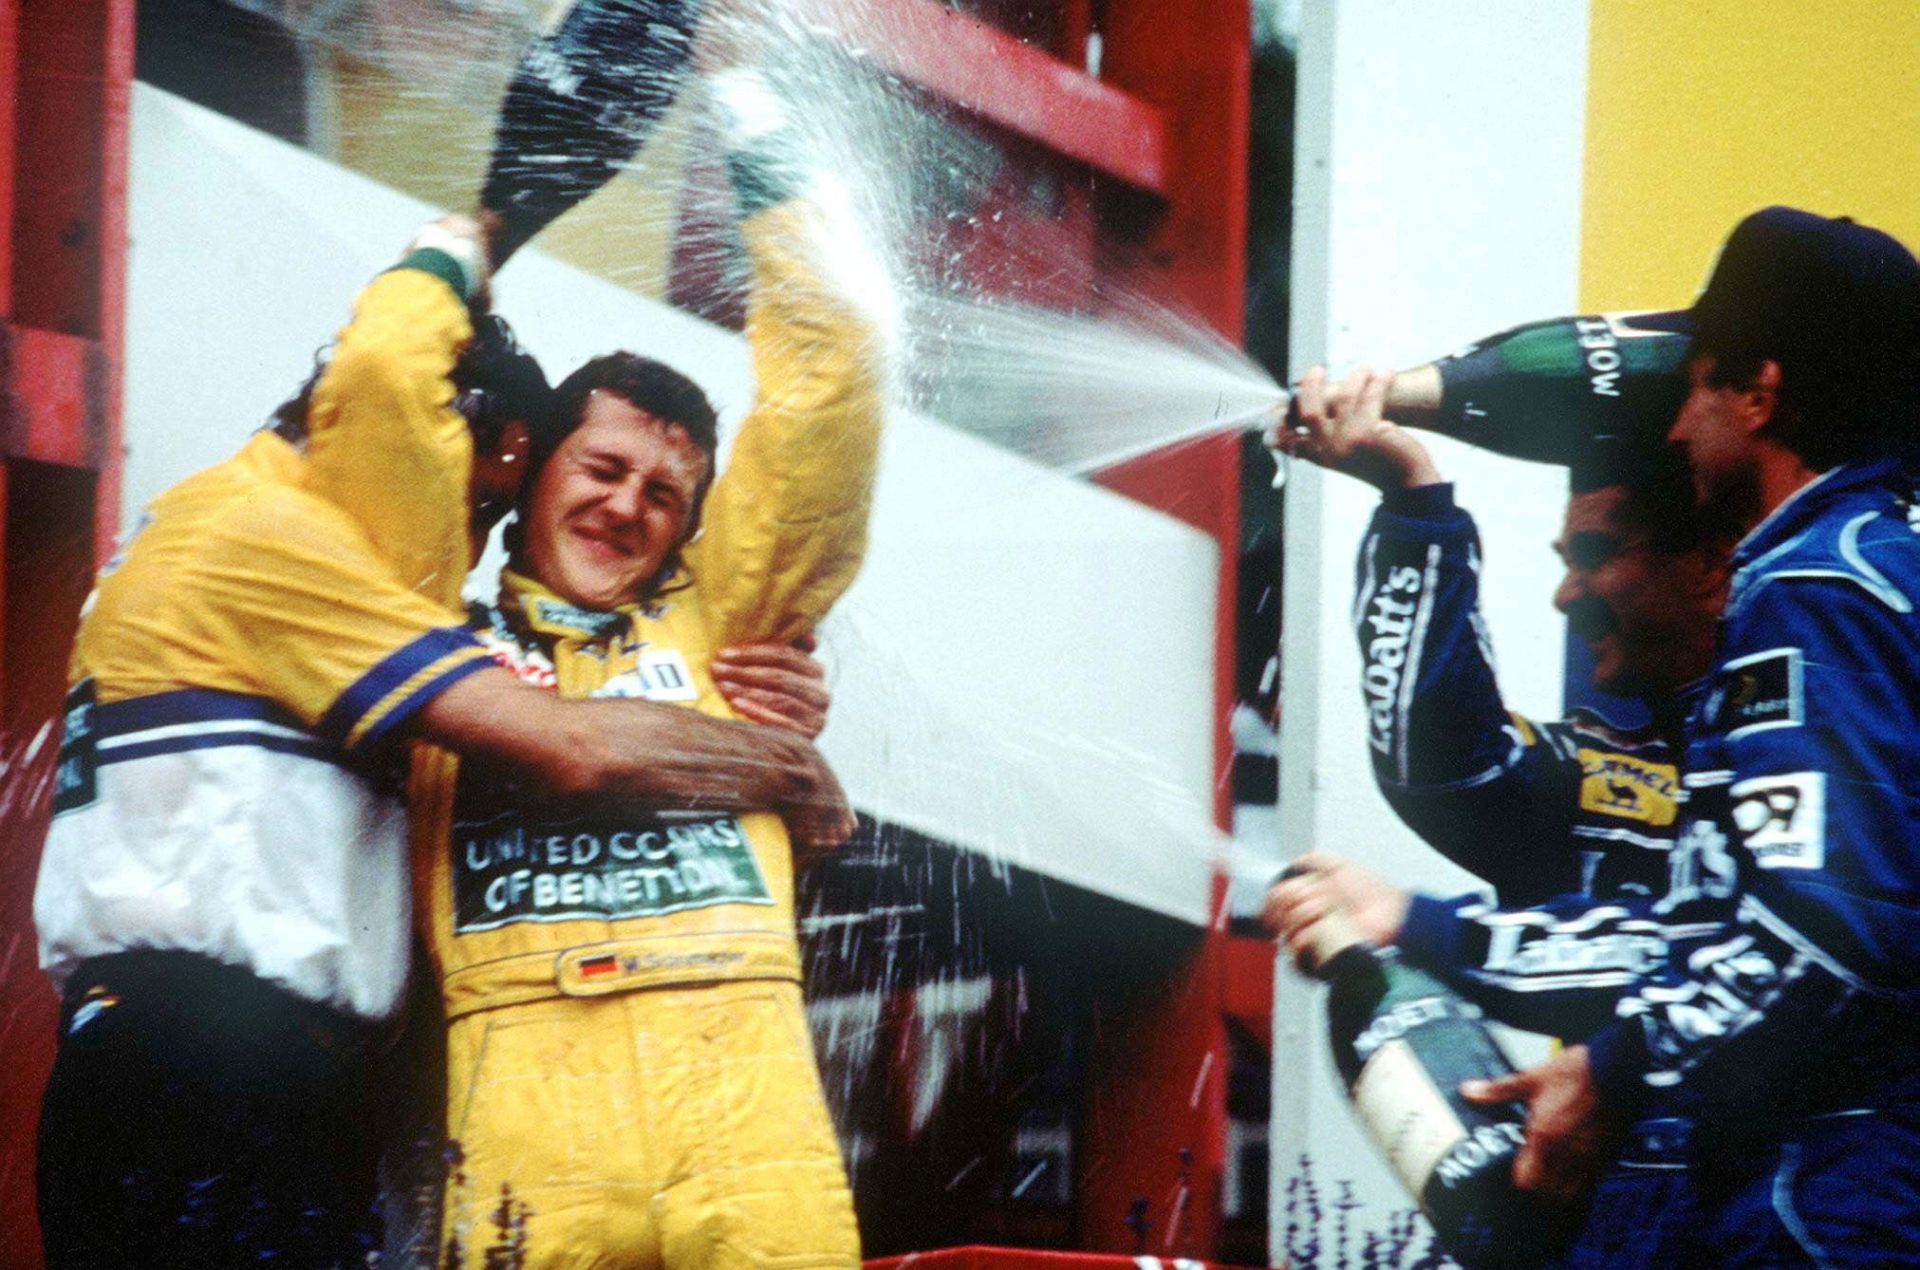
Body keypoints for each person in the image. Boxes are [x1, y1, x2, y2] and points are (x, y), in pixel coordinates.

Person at [31, 215, 854, 1270]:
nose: (463, 544)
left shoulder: (279, 564)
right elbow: (570, 745)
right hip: (203, 1059)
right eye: (479, 505)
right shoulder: (269, 541)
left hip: (237, 1069)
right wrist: (785, 766)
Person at [408, 69, 883, 1270]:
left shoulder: (728, 625)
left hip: (747, 1109)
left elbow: (835, 372)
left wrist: (753, 124)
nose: (626, 507)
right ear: (529, 474)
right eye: (602, 469)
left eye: (664, 495)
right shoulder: (420, 629)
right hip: (523, 1118)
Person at [1466, 207, 1920, 1267]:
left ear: (1760, 392)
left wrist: (1611, 1071)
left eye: (1700, 382)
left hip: (1828, 1212)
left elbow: (1819, 933)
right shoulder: (1887, 563)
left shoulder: (1814, 588)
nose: (1675, 427)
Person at [1263, 360, 1731, 1050]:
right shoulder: (1633, 778)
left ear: (1710, 563)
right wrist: (1413, 501)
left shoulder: (1857, 737)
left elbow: (1741, 964)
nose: (1566, 595)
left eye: (1596, 554)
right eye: (1565, 561)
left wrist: (1418, 923)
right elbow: (1452, 768)